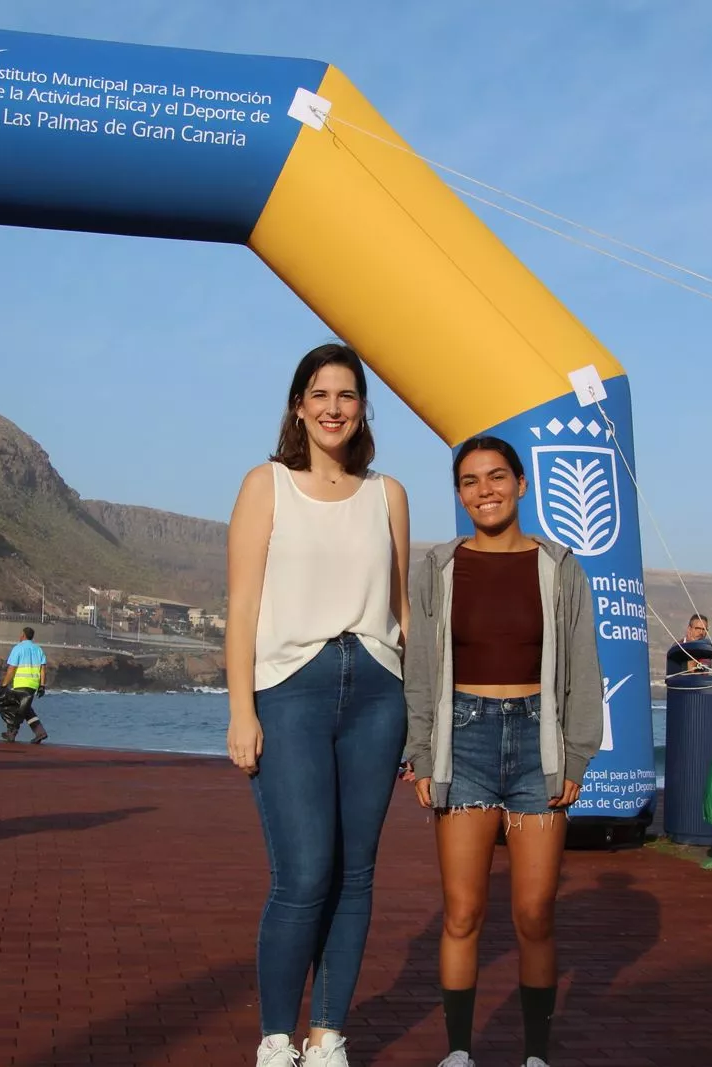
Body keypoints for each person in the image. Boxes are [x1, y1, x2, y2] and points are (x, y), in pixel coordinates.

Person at [225, 342, 410, 1067]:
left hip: (376, 690)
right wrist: (242, 710)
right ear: (299, 405)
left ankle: (328, 1036)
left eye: (348, 394)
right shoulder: (265, 484)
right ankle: (277, 1039)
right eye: (320, 393)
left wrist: (418, 716)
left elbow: (398, 607)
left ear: (362, 408)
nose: (334, 407)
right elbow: (240, 607)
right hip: (289, 689)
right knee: (303, 874)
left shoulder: (387, 493)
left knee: (356, 872)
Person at [404, 436, 604, 1067]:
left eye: (496, 477)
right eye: (469, 481)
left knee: (534, 912)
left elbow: (582, 667)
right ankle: (459, 1053)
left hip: (538, 744)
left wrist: (576, 757)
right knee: (462, 912)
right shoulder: (436, 567)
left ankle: (535, 1056)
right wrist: (421, 749)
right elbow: (421, 669)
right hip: (462, 743)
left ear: (522, 484)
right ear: (459, 494)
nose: (483, 490)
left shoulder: (561, 566)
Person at [0, 626, 49, 744]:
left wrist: (4, 685)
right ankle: (39, 732)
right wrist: (42, 685)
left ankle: (11, 733)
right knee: (26, 709)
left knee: (13, 707)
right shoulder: (38, 649)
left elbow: (11, 669)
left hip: (21, 684)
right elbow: (43, 669)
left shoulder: (18, 648)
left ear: (23, 635)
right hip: (33, 685)